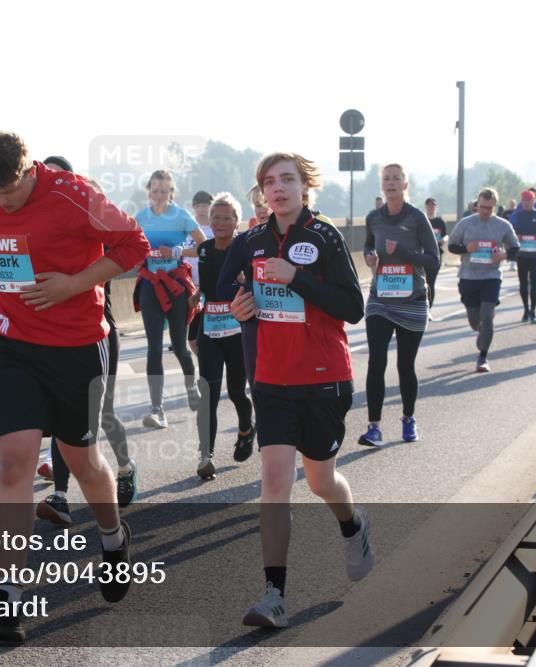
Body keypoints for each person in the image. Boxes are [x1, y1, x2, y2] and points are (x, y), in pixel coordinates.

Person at [0, 131, 148, 642]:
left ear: (28, 172)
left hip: (76, 348)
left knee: (82, 461)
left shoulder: (73, 194)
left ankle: (112, 538)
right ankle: (8, 598)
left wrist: (75, 283)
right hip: (12, 346)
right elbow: (0, 250)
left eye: (7, 192)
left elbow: (134, 245)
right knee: (14, 465)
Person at [218, 152, 373, 629]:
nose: (279, 188)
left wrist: (297, 278)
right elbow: (230, 292)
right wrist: (241, 308)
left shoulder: (324, 236)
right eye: (270, 181)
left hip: (324, 377)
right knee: (274, 485)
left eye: (287, 179)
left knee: (322, 480)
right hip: (272, 379)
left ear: (305, 187)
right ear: (262, 191)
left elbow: (353, 307)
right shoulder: (251, 242)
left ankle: (353, 523)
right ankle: (274, 596)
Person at [35, 156, 138, 523]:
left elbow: (130, 248)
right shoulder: (44, 230)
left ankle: (124, 467)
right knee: (63, 417)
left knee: (104, 414)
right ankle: (60, 496)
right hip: (54, 337)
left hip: (98, 334)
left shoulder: (98, 233)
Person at [358, 165, 439, 448]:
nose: (390, 182)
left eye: (396, 178)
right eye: (386, 178)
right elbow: (368, 246)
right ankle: (374, 428)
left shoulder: (416, 217)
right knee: (376, 361)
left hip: (412, 301)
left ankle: (408, 418)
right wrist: (369, 256)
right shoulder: (373, 218)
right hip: (380, 299)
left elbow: (433, 260)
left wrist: (403, 252)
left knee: (405, 365)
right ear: (382, 184)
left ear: (405, 184)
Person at [133, 170, 205, 429]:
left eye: (164, 191)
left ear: (171, 192)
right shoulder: (140, 218)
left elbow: (204, 246)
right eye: (155, 191)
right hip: (150, 285)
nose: (160, 195)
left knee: (179, 346)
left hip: (175, 286)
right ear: (148, 192)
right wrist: (138, 256)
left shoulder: (181, 216)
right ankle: (157, 409)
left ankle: (192, 387)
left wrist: (177, 251)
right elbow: (129, 246)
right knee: (153, 347)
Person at [190, 192, 254, 479]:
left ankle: (246, 429)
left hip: (238, 332)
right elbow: (208, 284)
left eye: (227, 218)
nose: (220, 222)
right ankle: (206, 454)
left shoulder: (244, 250)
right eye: (216, 217)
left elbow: (254, 285)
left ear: (237, 222)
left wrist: (243, 283)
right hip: (210, 330)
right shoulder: (204, 249)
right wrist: (198, 295)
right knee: (209, 394)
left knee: (237, 391)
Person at [447, 188, 520, 373]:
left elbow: (515, 247)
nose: (485, 211)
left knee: (486, 317)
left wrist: (503, 255)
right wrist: (466, 248)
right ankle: (481, 330)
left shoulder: (502, 225)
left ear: (495, 206)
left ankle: (483, 357)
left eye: (489, 208)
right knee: (475, 321)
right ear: (476, 205)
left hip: (491, 277)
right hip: (468, 277)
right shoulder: (466, 223)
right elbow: (452, 246)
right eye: (482, 207)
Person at [509, 190, 536, 323]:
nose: (527, 203)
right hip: (521, 255)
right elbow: (509, 231)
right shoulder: (516, 216)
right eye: (525, 201)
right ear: (522, 202)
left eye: (530, 201)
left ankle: (533, 311)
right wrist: (515, 236)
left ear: (534, 201)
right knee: (523, 284)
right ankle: (525, 310)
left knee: (534, 283)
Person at [186, 190, 214, 355]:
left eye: (205, 205)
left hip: (210, 286)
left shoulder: (216, 228)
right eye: (198, 206)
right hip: (192, 286)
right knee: (192, 338)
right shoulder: (188, 228)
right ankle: (204, 363)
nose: (201, 209)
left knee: (210, 333)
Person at [424, 197, 448, 309]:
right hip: (422, 256)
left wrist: (444, 240)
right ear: (426, 207)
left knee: (430, 283)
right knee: (422, 283)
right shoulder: (422, 220)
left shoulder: (440, 221)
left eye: (433, 205)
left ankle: (428, 309)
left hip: (436, 255)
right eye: (429, 205)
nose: (431, 207)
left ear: (436, 207)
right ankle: (422, 307)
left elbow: (446, 235)